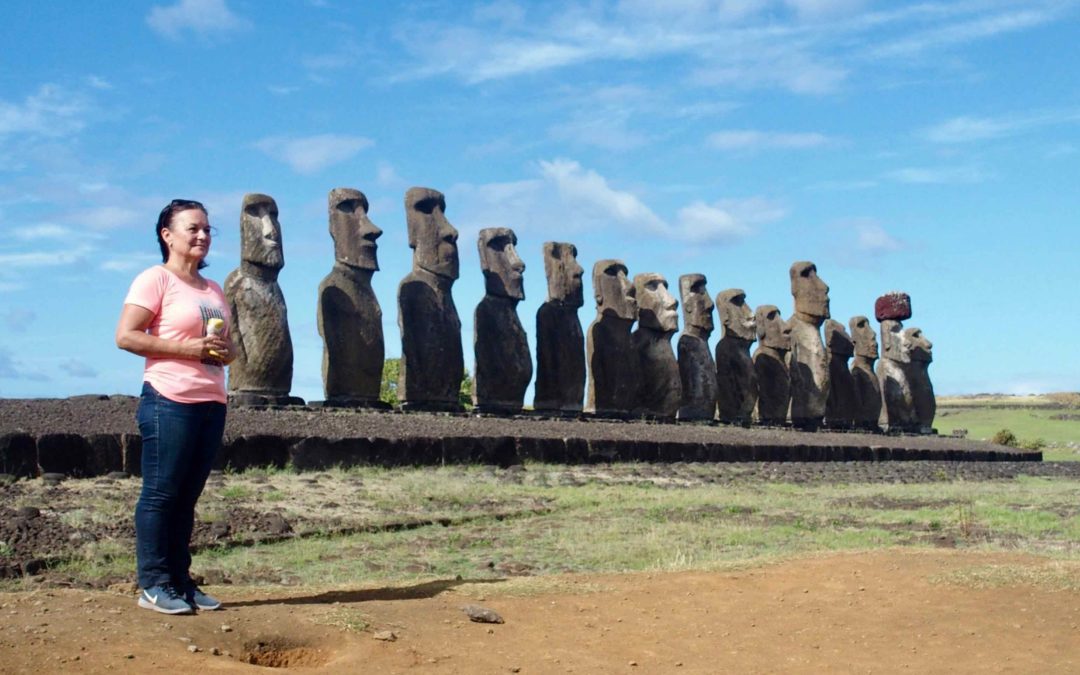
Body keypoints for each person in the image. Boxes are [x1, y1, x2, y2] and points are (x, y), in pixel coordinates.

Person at [115, 199, 236, 615]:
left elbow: (227, 348)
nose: (203, 236)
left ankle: (181, 582)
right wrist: (186, 348)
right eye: (193, 228)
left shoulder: (214, 289)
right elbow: (127, 336)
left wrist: (224, 353)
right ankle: (153, 583)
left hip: (211, 401)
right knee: (160, 494)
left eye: (207, 229)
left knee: (187, 497)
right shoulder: (155, 279)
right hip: (169, 399)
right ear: (167, 235)